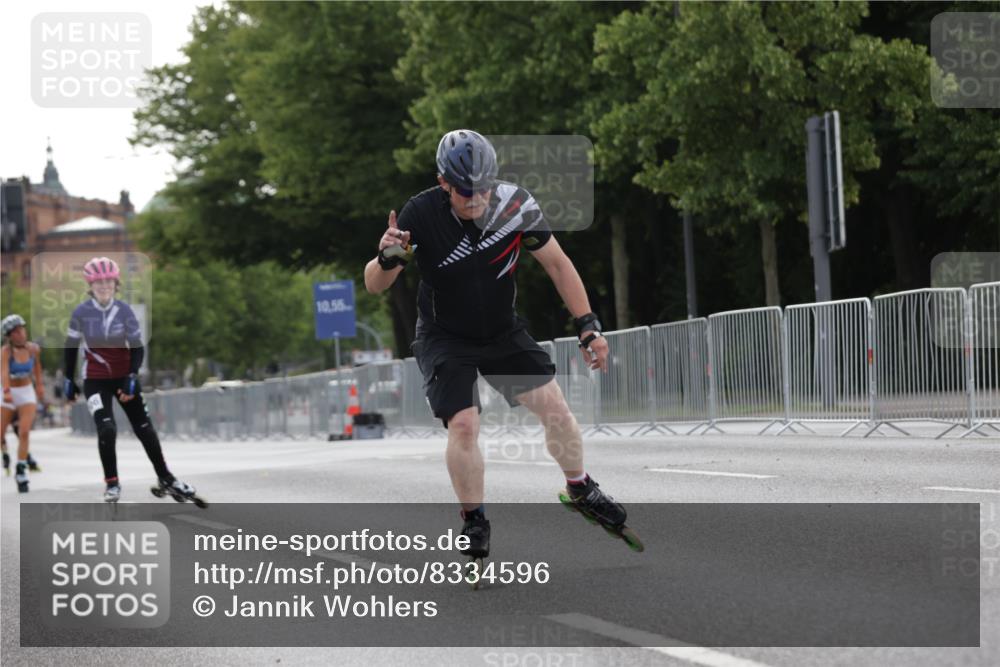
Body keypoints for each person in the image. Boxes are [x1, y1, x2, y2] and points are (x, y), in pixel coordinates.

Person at [364, 129, 625, 557]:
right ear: (443, 182)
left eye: (483, 189)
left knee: (556, 408)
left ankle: (581, 488)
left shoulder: (515, 204)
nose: (476, 199)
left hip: (501, 331)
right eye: (465, 191)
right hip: (445, 337)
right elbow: (375, 285)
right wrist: (386, 258)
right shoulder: (421, 212)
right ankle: (475, 520)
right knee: (464, 423)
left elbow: (558, 265)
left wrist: (588, 324)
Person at [62, 256, 195, 502]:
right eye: (98, 282)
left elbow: (137, 348)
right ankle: (112, 483)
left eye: (108, 282)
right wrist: (68, 380)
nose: (104, 286)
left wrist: (132, 376)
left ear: (116, 284)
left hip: (124, 377)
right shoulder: (80, 313)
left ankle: (165, 477)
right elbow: (70, 348)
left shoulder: (125, 311)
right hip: (96, 380)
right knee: (107, 428)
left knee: (144, 428)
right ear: (90, 286)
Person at [2, 314, 44, 492]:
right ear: (10, 336)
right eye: (16, 332)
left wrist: (40, 386)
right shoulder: (6, 351)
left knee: (25, 432)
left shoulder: (33, 349)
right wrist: (6, 391)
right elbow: (4, 372)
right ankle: (7, 454)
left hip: (26, 392)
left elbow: (37, 368)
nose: (21, 334)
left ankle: (21, 469)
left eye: (22, 329)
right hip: (9, 393)